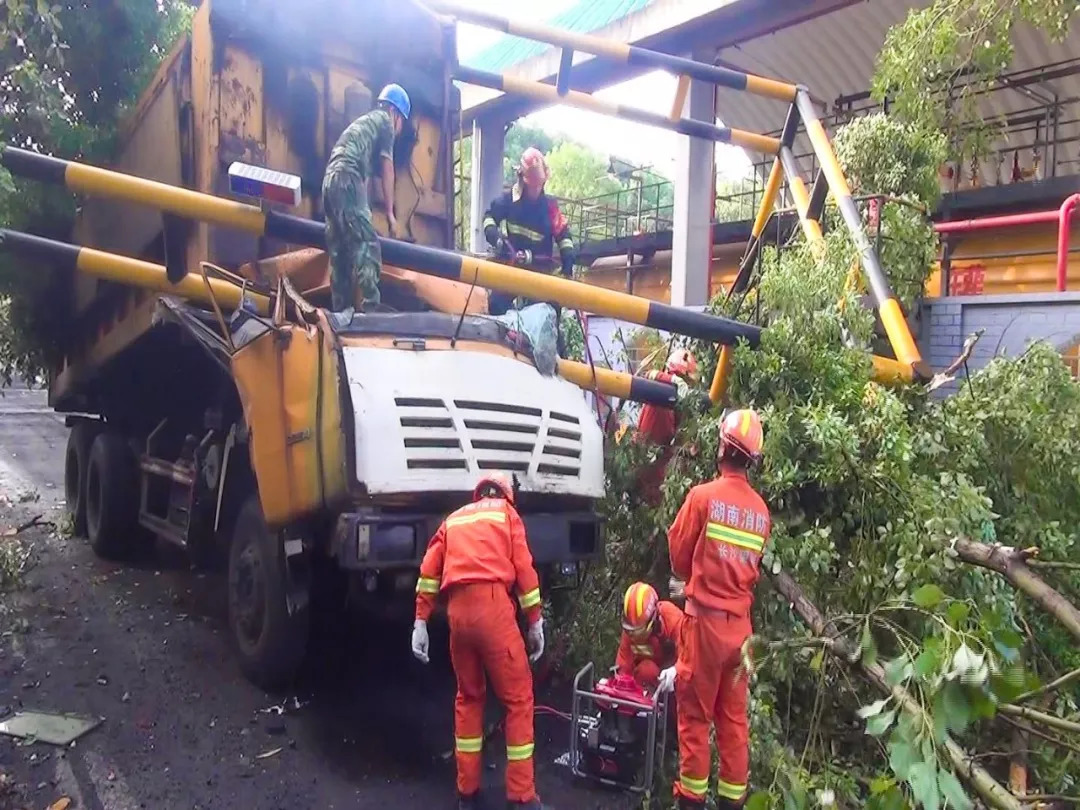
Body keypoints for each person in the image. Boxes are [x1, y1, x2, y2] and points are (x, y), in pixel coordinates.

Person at [411, 472, 549, 810]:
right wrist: (535, 622)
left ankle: (467, 794)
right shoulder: (506, 515)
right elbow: (526, 573)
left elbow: (429, 571)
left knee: (469, 698)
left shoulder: (455, 519)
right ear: (506, 494)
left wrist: (420, 621)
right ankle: (521, 797)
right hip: (493, 609)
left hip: (457, 614)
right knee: (517, 700)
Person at [666, 408, 771, 810]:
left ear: (723, 447)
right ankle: (732, 803)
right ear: (752, 459)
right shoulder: (761, 512)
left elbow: (678, 559)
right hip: (741, 633)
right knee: (733, 724)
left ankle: (690, 801)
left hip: (705, 629)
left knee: (694, 719)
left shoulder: (702, 498)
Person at [321, 83, 411, 321]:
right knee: (367, 245)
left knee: (340, 250)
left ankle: (340, 314)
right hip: (348, 177)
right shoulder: (385, 122)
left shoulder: (364, 124)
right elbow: (387, 167)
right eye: (402, 121)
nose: (399, 129)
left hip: (330, 181)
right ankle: (372, 312)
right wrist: (390, 214)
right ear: (396, 113)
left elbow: (367, 178)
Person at [482, 147, 577, 316]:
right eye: (533, 185)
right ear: (523, 180)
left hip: (539, 273)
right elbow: (489, 217)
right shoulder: (510, 201)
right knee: (495, 306)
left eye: (538, 185)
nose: (536, 190)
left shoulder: (549, 207)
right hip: (513, 270)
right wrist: (496, 238)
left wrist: (568, 263)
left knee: (545, 314)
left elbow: (563, 235)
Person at [635, 348, 698, 507]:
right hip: (646, 461)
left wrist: (686, 451)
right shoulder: (659, 387)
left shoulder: (675, 404)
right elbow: (650, 374)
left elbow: (674, 439)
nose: (688, 385)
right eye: (686, 380)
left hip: (657, 467)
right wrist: (673, 381)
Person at [615, 581, 684, 694]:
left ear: (652, 621)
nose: (633, 635)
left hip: (674, 683)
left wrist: (676, 671)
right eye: (630, 630)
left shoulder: (672, 619)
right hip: (647, 685)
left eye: (639, 631)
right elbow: (623, 669)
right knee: (646, 671)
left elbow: (689, 657)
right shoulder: (630, 633)